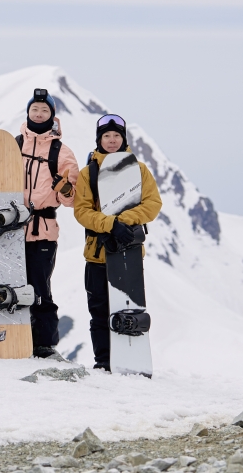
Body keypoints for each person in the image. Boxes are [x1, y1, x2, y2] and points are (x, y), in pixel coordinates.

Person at [72, 114, 162, 371]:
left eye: (117, 136)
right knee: (99, 312)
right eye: (107, 136)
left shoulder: (140, 170)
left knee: (127, 308)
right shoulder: (88, 173)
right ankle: (103, 361)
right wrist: (112, 225)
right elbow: (82, 211)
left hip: (128, 254)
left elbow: (153, 204)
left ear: (123, 139)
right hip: (97, 254)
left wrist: (125, 220)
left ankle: (130, 360)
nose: (112, 141)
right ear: (99, 140)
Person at [18, 89, 80, 358]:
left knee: (40, 287)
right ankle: (12, 340)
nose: (39, 114)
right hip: (10, 229)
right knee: (9, 286)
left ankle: (43, 344)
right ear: (28, 112)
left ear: (52, 116)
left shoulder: (62, 152)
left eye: (44, 110)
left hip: (43, 229)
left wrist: (66, 189)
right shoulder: (13, 144)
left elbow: (73, 199)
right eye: (35, 109)